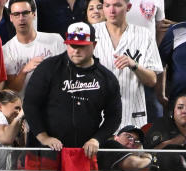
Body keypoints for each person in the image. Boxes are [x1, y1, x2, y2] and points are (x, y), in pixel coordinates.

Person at [22, 22, 122, 163]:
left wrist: (96, 140)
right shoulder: (48, 68)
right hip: (45, 153)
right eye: (72, 45)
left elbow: (114, 116)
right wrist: (43, 137)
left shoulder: (106, 78)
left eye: (82, 46)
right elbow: (30, 105)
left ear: (94, 45)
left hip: (84, 154)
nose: (76, 50)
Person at [93, 0, 163, 128]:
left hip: (133, 112)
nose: (111, 10)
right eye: (107, 5)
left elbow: (152, 80)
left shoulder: (144, 35)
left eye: (117, 5)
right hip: (97, 113)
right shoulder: (92, 32)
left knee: (131, 147)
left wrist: (134, 65)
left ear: (128, 7)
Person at [2, 0, 65, 96]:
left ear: (34, 14)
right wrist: (24, 71)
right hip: (24, 106)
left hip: (55, 103)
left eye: (25, 13)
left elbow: (69, 73)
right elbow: (12, 90)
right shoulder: (6, 50)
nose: (21, 18)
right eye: (16, 14)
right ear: (11, 17)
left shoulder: (55, 40)